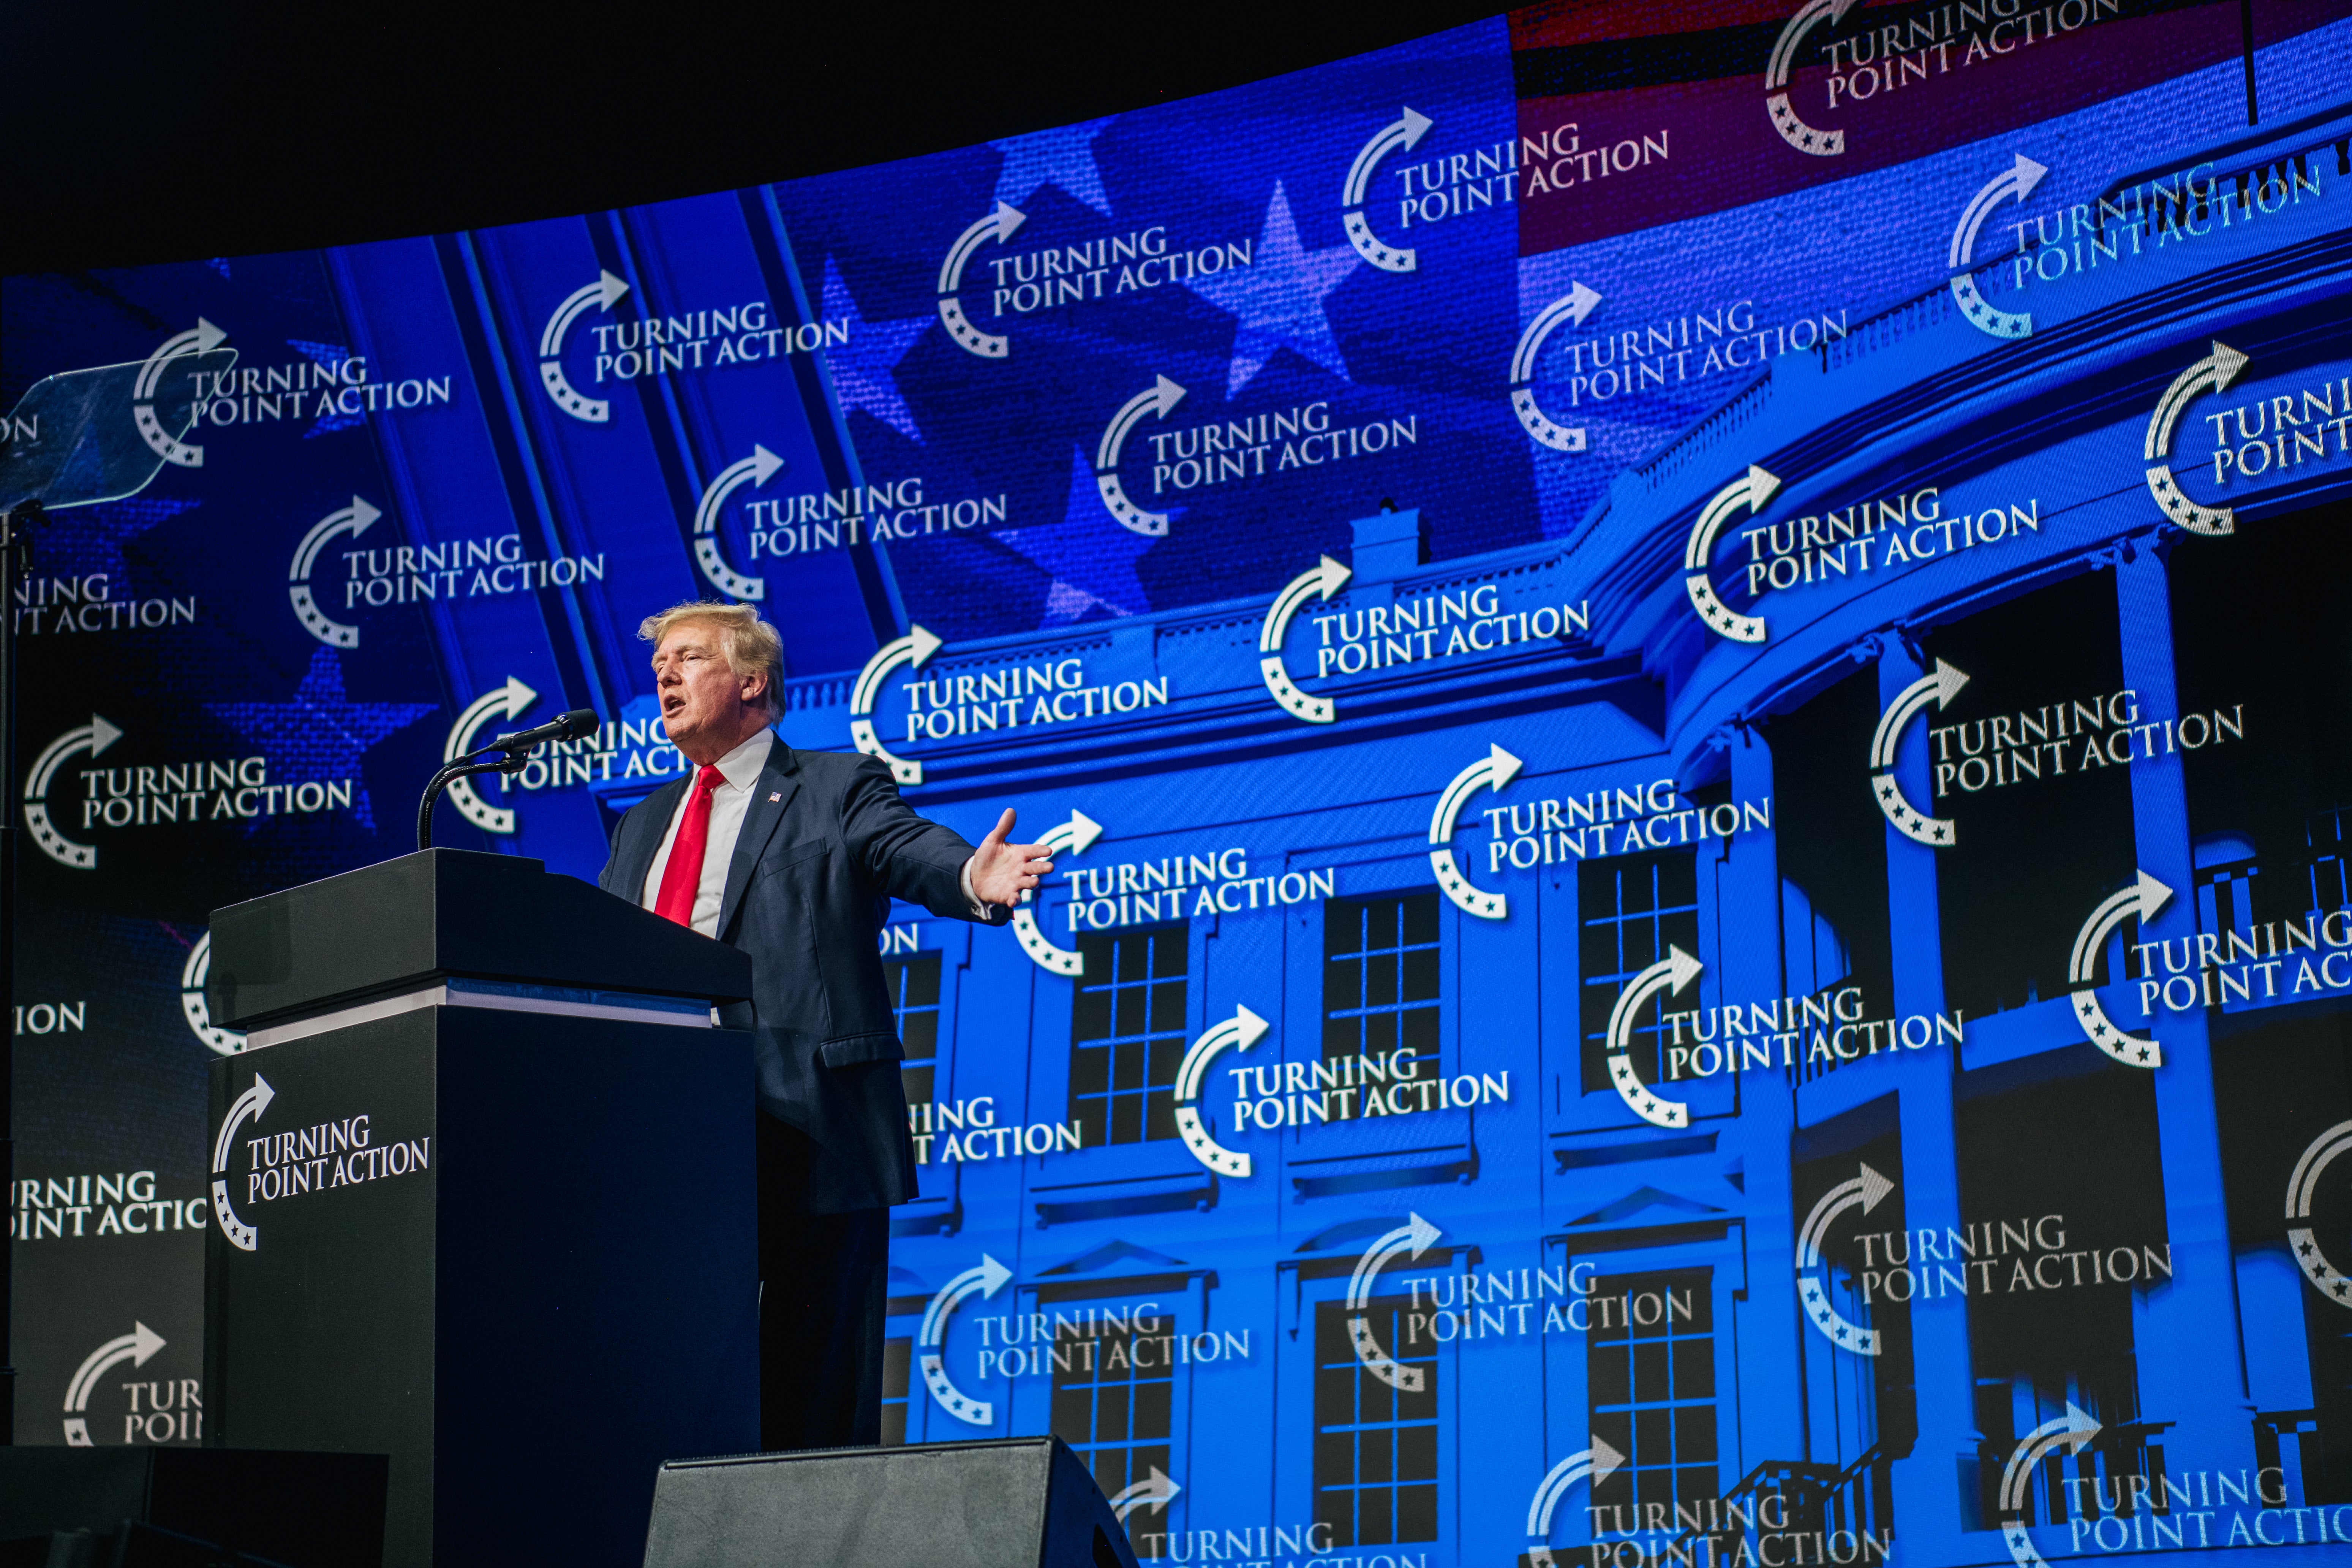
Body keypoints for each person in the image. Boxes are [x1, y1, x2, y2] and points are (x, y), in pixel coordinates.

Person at [597, 599, 1050, 1449]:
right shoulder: (641, 827)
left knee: (813, 1398)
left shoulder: (834, 787)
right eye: (661, 661)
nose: (665, 674)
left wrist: (969, 878)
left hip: (805, 1122)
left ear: (752, 680)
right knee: (675, 1381)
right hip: (662, 1132)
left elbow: (906, 847)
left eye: (689, 658)